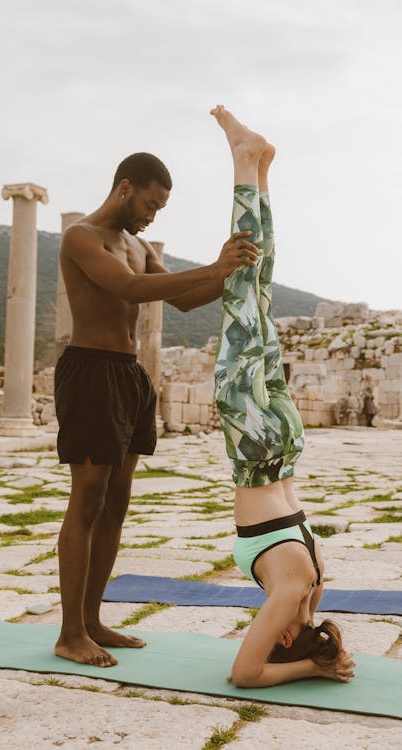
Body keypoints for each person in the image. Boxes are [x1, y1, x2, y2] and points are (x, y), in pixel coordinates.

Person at [54, 151, 261, 667]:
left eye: (160, 209)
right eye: (150, 204)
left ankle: (95, 619)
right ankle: (69, 632)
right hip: (90, 370)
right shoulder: (82, 236)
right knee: (88, 499)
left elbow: (185, 299)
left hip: (129, 376)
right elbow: (129, 288)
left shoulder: (137, 245)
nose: (152, 216)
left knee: (117, 504)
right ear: (126, 188)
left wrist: (237, 272)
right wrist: (213, 265)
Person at [211, 104, 356, 687]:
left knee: (260, 291)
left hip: (287, 450)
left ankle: (262, 170)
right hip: (254, 448)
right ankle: (246, 167)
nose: (267, 626)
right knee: (242, 287)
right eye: (276, 635)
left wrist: (325, 652)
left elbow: (311, 628)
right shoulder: (293, 591)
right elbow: (245, 675)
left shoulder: (313, 587)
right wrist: (306, 670)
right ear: (288, 638)